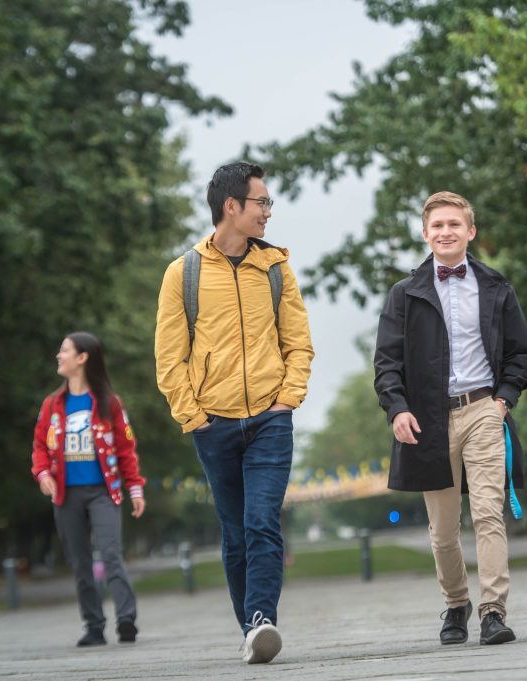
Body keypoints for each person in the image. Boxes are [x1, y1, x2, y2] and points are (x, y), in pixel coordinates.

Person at [154, 161, 314, 664]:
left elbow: (299, 342)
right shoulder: (184, 273)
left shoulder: (276, 268)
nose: (269, 211)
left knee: (262, 520)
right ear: (232, 207)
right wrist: (193, 416)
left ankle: (263, 619)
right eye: (261, 201)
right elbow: (169, 356)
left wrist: (288, 398)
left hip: (270, 419)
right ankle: (250, 628)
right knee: (235, 530)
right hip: (214, 425)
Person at [374, 191, 527, 646]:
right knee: (443, 531)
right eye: (437, 226)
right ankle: (456, 602)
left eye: (454, 225)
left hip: (484, 409)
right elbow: (386, 362)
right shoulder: (405, 295)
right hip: (427, 420)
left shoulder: (497, 287)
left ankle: (493, 610)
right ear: (425, 234)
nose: (446, 232)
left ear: (470, 231)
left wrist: (503, 399)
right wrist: (397, 408)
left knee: (488, 514)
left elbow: (521, 352)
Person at [31, 331, 146, 646]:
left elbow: (125, 449)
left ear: (82, 358)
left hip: (102, 492)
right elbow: (40, 445)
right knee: (80, 561)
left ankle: (126, 619)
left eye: (64, 350)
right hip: (66, 495)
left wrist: (135, 489)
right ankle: (94, 626)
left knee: (110, 554)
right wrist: (43, 474)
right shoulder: (53, 404)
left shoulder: (109, 403)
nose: (59, 355)